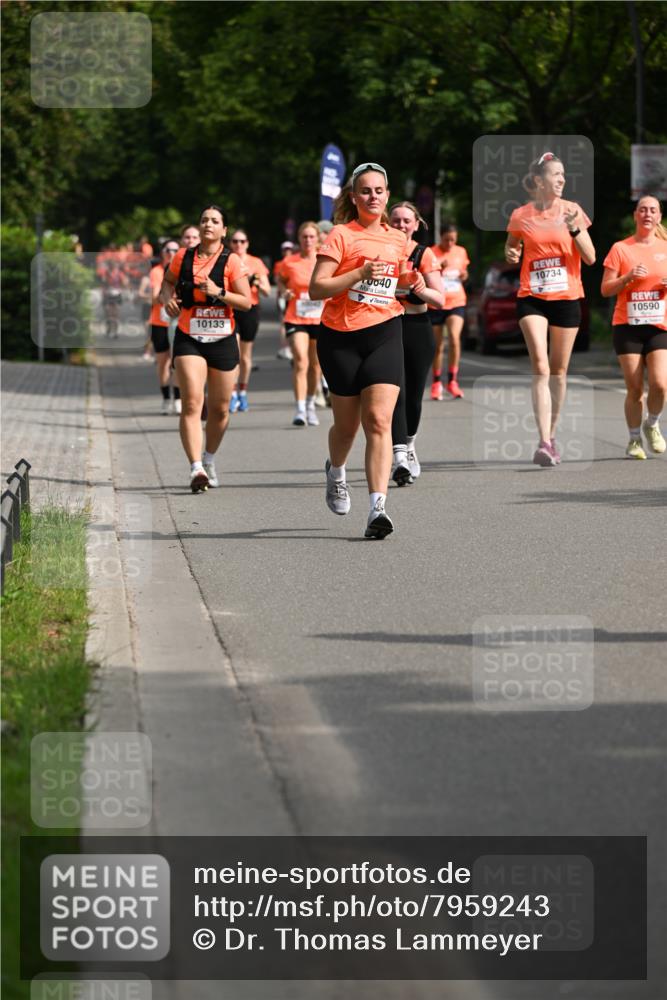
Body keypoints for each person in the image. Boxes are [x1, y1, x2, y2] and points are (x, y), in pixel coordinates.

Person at [309, 163, 413, 540]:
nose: (373, 196)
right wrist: (357, 274)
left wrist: (407, 283)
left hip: (386, 330)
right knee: (347, 427)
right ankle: (336, 471)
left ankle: (377, 508)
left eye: (379, 190)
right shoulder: (340, 235)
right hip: (341, 337)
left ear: (387, 195)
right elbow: (317, 288)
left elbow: (393, 284)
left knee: (379, 421)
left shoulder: (398, 239)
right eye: (365, 191)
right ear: (354, 197)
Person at [505, 151, 595, 466]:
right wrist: (511, 254)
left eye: (563, 176)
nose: (560, 180)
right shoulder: (520, 215)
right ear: (539, 181)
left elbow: (590, 257)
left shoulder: (573, 211)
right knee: (541, 367)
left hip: (567, 298)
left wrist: (574, 229)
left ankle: (552, 435)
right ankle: (543, 441)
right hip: (532, 296)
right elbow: (512, 247)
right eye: (555, 175)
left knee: (558, 371)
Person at [160, 205, 251, 492]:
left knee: (220, 409)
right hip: (189, 335)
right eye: (204, 220)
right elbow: (167, 283)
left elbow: (246, 302)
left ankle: (209, 458)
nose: (208, 224)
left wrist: (219, 292)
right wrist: (168, 300)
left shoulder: (232, 261)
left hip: (223, 338)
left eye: (215, 221)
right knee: (191, 402)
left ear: (224, 230)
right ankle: (195, 468)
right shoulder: (182, 257)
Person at [601, 196, 667, 459]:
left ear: (659, 217)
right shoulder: (621, 248)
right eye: (643, 210)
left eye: (653, 210)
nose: (647, 214)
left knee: (661, 385)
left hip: (659, 324)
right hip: (627, 326)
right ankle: (633, 439)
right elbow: (605, 289)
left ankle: (652, 424)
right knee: (635, 387)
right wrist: (628, 278)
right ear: (635, 215)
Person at [390, 202, 444, 484]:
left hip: (418, 326)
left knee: (413, 396)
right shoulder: (381, 249)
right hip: (388, 326)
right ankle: (398, 456)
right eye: (395, 220)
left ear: (416, 224)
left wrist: (422, 290)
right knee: (395, 392)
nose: (400, 225)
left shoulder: (424, 254)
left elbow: (441, 299)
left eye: (406, 221)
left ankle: (409, 445)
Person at [276, 222, 325, 427]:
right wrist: (284, 291)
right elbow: (280, 280)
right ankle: (300, 409)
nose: (308, 240)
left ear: (317, 239)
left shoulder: (325, 260)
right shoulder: (290, 262)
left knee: (315, 366)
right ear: (299, 239)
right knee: (301, 361)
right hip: (296, 317)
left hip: (320, 318)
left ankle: (311, 404)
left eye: (311, 237)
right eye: (304, 237)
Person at [228, 230, 271, 412]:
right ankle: (231, 392)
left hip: (250, 310)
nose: (239, 244)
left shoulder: (256, 262)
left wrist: (256, 282)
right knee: (234, 354)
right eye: (235, 241)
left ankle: (242, 391)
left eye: (242, 241)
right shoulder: (227, 260)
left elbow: (267, 291)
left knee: (245, 357)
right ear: (230, 243)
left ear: (247, 243)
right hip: (231, 309)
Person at [429, 223, 470, 400]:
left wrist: (463, 275)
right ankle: (436, 382)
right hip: (437, 304)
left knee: (454, 338)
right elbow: (426, 275)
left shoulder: (460, 251)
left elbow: (465, 273)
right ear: (440, 237)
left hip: (456, 301)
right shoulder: (431, 252)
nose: (450, 243)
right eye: (447, 239)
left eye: (453, 239)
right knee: (438, 346)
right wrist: (439, 267)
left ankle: (453, 381)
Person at [145, 241, 181, 413]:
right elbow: (152, 298)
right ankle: (166, 398)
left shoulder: (182, 269)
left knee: (178, 363)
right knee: (163, 363)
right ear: (163, 252)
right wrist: (166, 298)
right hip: (159, 321)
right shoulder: (157, 271)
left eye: (175, 250)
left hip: (179, 321)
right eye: (168, 250)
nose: (172, 253)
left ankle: (178, 398)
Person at [274, 240, 296, 361]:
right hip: (284, 297)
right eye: (285, 249)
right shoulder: (279, 264)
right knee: (283, 322)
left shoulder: (297, 261)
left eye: (290, 249)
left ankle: (288, 347)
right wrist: (283, 293)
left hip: (297, 299)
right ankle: (285, 347)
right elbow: (278, 280)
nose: (287, 252)